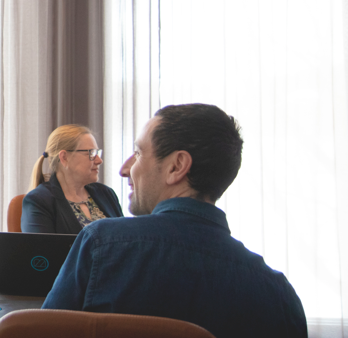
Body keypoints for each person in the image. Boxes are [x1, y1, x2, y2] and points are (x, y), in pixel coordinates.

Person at [43, 104, 306, 337]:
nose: (125, 169)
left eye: (138, 153)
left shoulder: (101, 244)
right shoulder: (279, 296)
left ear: (177, 166)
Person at [21, 125, 123, 234]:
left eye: (97, 153)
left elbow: (126, 240)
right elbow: (41, 250)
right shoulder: (39, 201)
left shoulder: (106, 194)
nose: (99, 160)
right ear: (64, 157)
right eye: (91, 153)